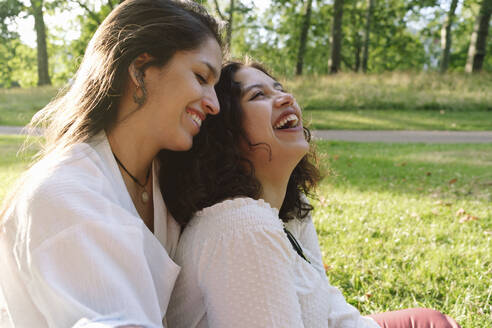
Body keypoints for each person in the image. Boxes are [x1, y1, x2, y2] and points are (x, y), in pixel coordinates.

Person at [159, 61, 461, 328]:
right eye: (258, 95)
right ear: (225, 134)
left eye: (278, 88)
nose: (286, 97)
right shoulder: (244, 229)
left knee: (434, 321)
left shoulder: (284, 209)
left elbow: (327, 307)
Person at [0, 0, 222, 327]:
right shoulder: (63, 194)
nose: (214, 104)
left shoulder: (169, 180)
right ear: (140, 70)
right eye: (201, 77)